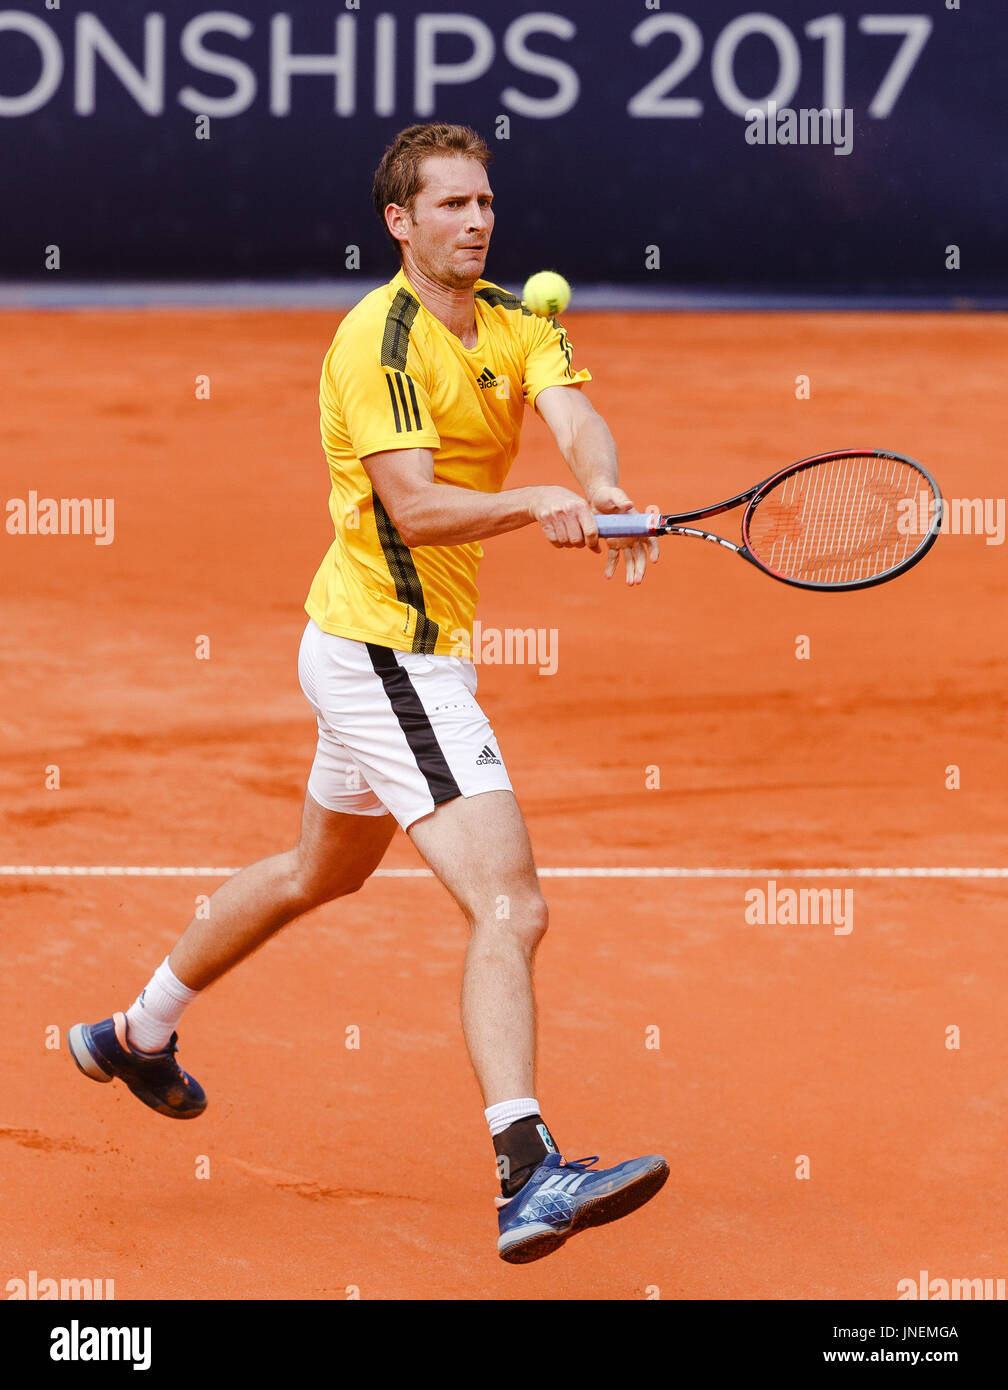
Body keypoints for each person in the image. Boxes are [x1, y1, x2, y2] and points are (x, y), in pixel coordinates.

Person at [69, 122, 668, 1265]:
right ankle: (527, 1167)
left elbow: (575, 415)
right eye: (449, 206)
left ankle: (134, 1032)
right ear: (398, 222)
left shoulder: (516, 320)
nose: (476, 221)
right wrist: (537, 502)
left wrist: (600, 486)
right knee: (511, 904)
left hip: (378, 647)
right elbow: (419, 509)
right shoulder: (374, 343)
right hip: (385, 656)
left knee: (318, 871)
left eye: (484, 201)